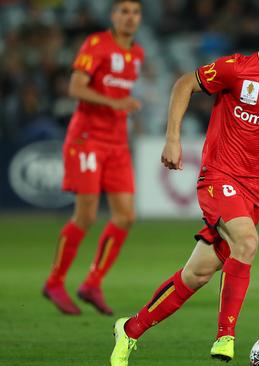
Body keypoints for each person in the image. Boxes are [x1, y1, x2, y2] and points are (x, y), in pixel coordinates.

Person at [110, 5, 259, 365]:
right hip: (219, 178)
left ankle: (129, 330)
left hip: (257, 192)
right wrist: (173, 139)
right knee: (248, 241)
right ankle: (226, 335)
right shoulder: (236, 69)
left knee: (197, 274)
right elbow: (184, 84)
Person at [43, 0, 144, 316]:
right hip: (87, 139)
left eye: (135, 12)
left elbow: (120, 95)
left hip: (116, 143)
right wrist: (112, 103)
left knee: (125, 215)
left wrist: (124, 107)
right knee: (85, 215)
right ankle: (55, 282)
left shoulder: (136, 54)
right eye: (123, 11)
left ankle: (92, 283)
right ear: (112, 16)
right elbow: (75, 87)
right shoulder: (96, 44)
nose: (130, 18)